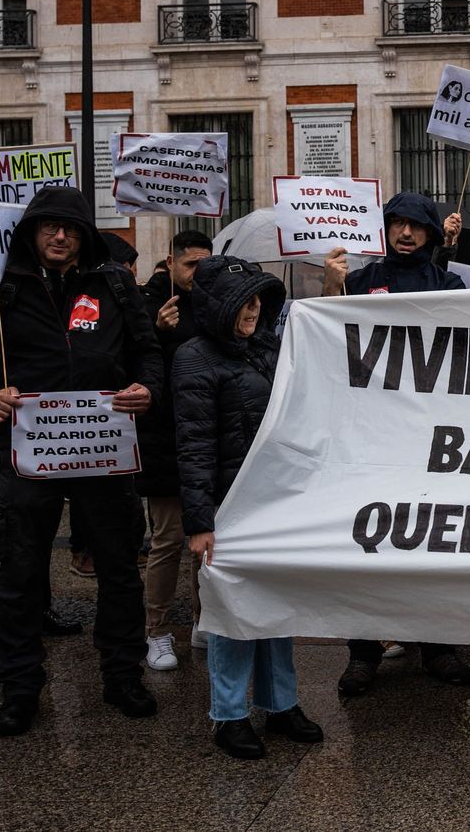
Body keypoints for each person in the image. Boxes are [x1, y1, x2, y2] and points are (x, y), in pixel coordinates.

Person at [0, 186, 161, 737]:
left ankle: (121, 675)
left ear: (84, 234)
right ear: (32, 233)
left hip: (104, 452)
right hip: (28, 455)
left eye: (69, 228)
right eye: (48, 227)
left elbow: (148, 353)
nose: (59, 236)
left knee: (118, 567)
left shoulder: (114, 285)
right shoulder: (4, 291)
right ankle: (19, 685)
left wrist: (147, 388)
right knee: (20, 570)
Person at [324, 192, 470, 694]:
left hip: (432, 440)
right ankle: (362, 652)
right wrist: (330, 287)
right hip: (371, 438)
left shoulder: (448, 283)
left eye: (416, 225)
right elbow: (327, 339)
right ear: (385, 229)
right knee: (366, 546)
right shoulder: (360, 281)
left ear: (431, 232)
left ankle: (437, 646)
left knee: (433, 545)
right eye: (397, 224)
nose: (406, 233)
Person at [174, 255, 323, 759]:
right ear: (219, 305)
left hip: (270, 500)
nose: (254, 309)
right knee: (232, 610)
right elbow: (193, 444)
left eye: (259, 299)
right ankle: (230, 714)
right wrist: (200, 522)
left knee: (274, 605)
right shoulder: (194, 358)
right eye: (244, 301)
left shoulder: (265, 350)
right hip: (228, 507)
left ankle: (281, 703)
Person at [137, 230, 213, 671]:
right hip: (165, 441)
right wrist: (157, 332)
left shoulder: (214, 303)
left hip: (205, 439)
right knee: (167, 539)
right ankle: (158, 631)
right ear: (171, 262)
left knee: (207, 541)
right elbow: (137, 365)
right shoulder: (150, 305)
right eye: (190, 266)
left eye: (206, 265)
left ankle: (203, 620)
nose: (198, 274)